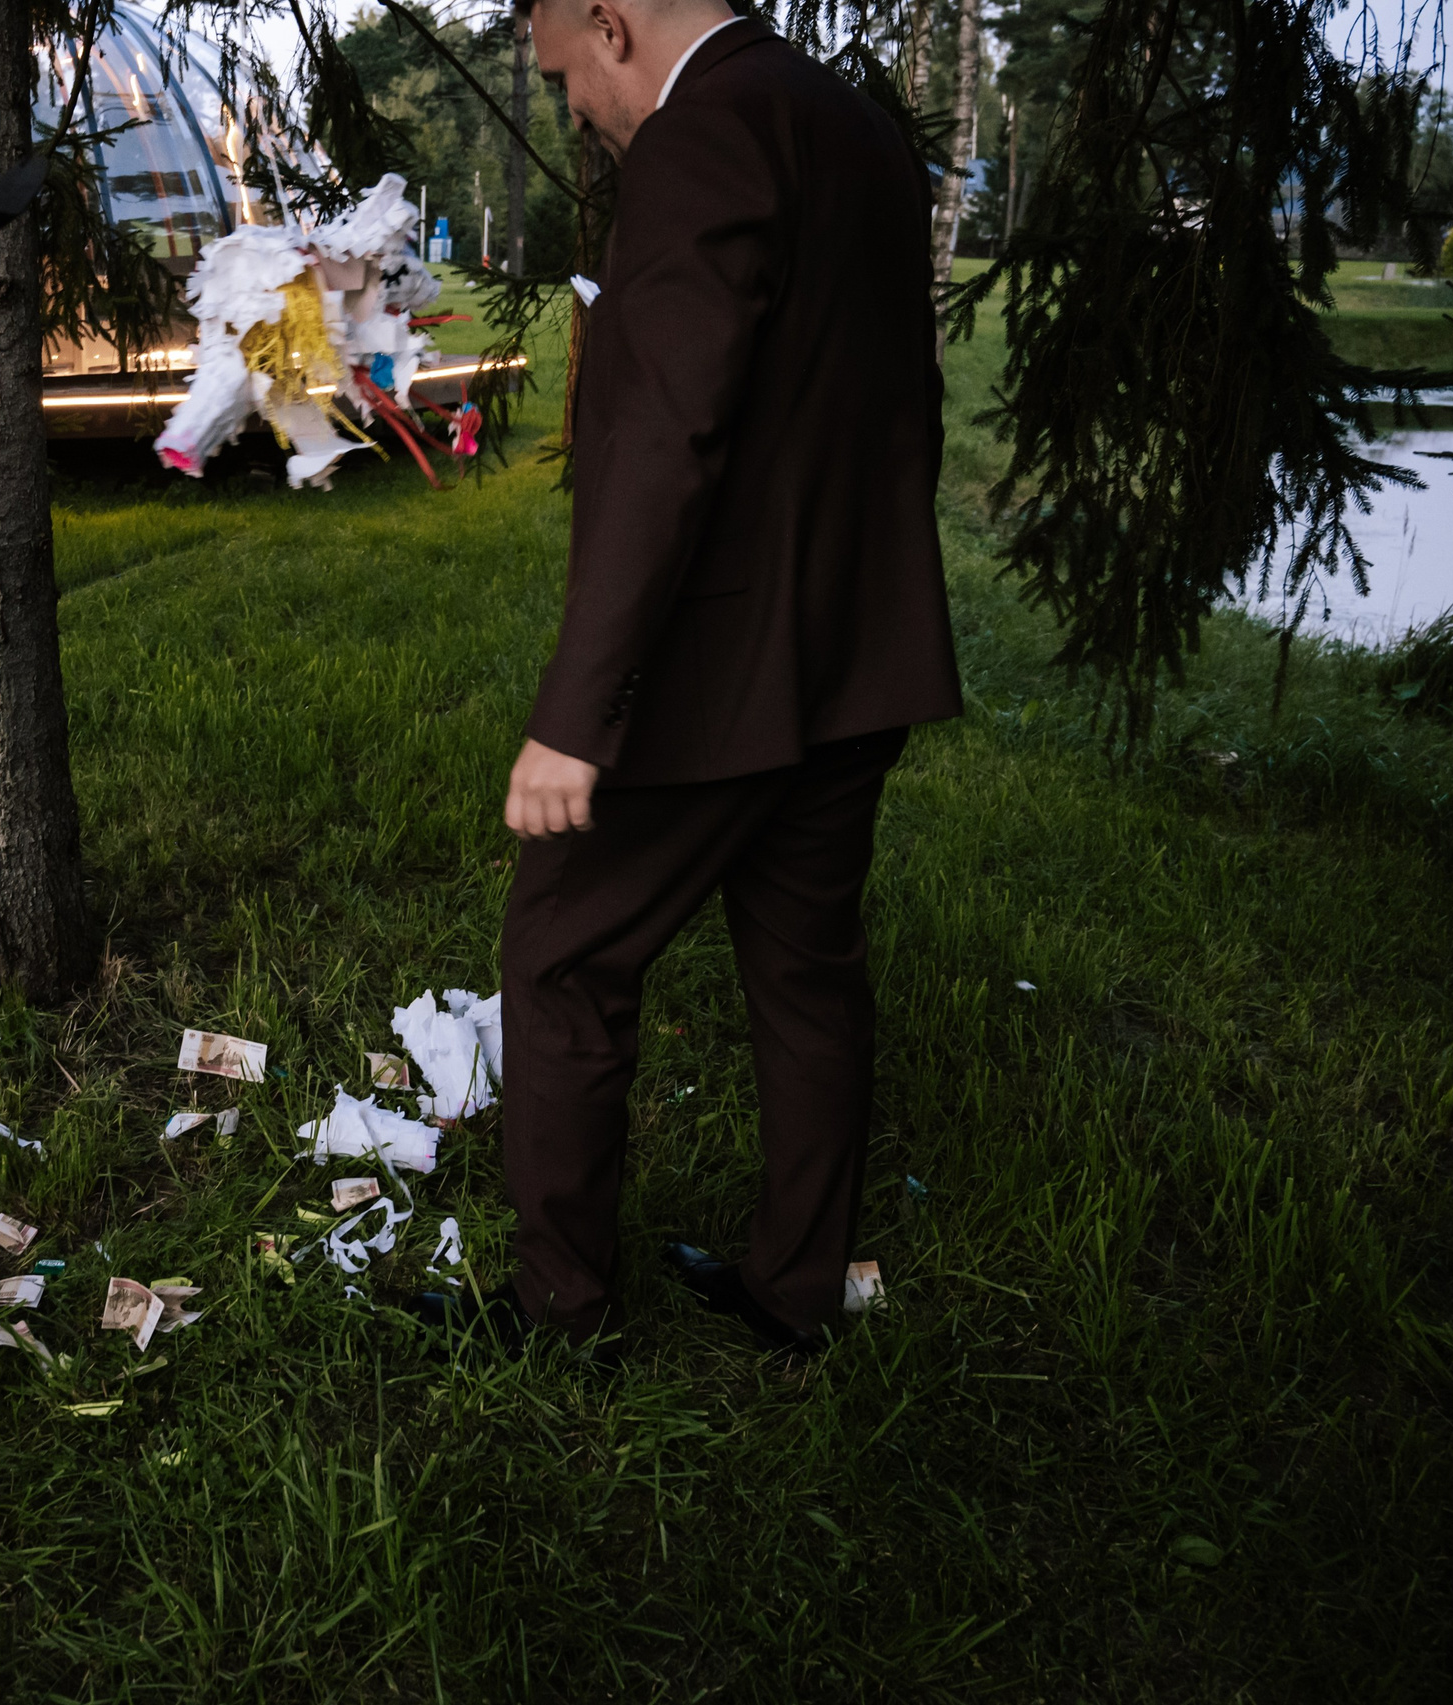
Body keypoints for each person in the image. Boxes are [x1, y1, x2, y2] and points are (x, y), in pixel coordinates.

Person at [481, 0, 964, 1362]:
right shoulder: (858, 125)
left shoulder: (705, 135)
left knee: (564, 955)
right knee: (810, 977)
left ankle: (557, 1310)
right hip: (858, 651)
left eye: (571, 80)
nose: (580, 113)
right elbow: (890, 395)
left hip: (720, 671)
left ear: (610, 24)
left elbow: (664, 444)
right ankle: (793, 1288)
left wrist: (577, 717)